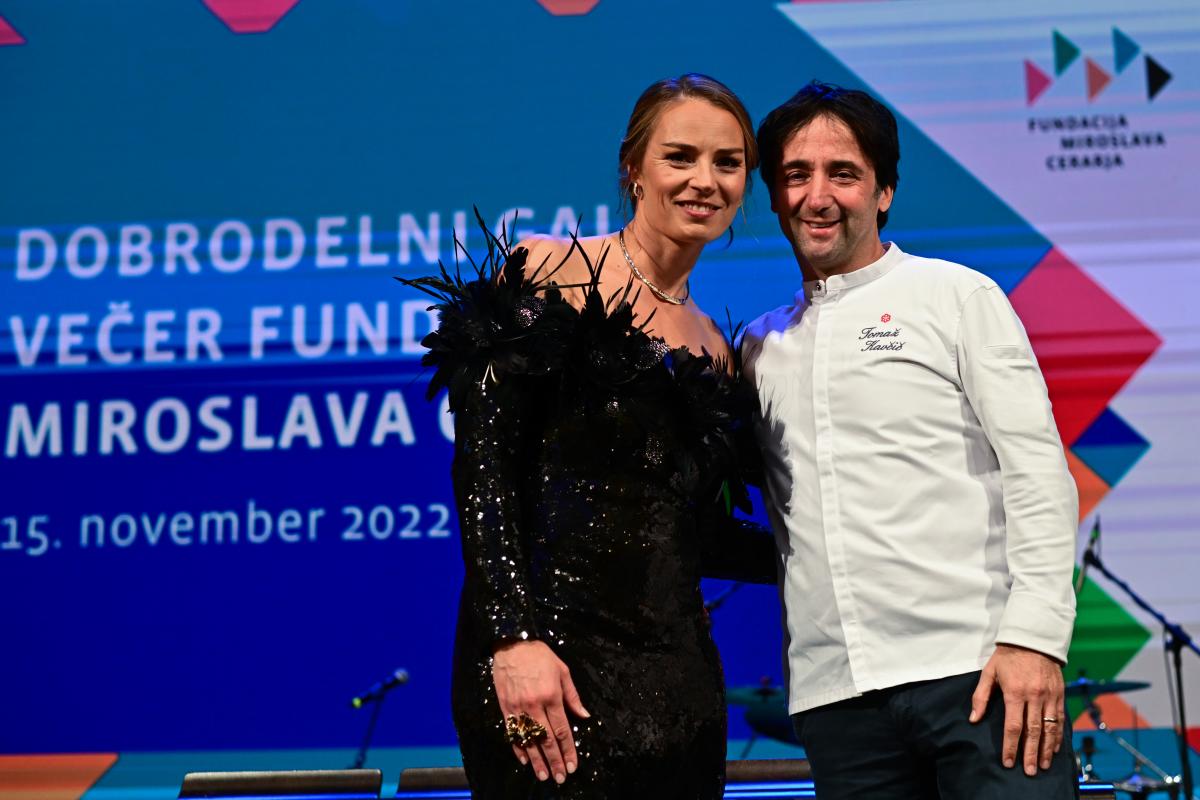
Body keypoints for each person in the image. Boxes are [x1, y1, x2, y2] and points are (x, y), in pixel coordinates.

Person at [403, 74, 776, 798]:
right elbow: (484, 471)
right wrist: (512, 639)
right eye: (680, 157)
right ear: (633, 168)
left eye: (727, 163)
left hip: (678, 680)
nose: (705, 180)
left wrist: (832, 557)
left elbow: (693, 534)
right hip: (548, 664)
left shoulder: (716, 349)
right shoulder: (549, 271)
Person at [741, 81, 1080, 798]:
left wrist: (1033, 638)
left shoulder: (956, 297)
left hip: (979, 673)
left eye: (843, 173)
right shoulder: (759, 348)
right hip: (837, 700)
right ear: (772, 195)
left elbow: (1038, 476)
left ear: (885, 191)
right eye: (796, 174)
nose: (817, 196)